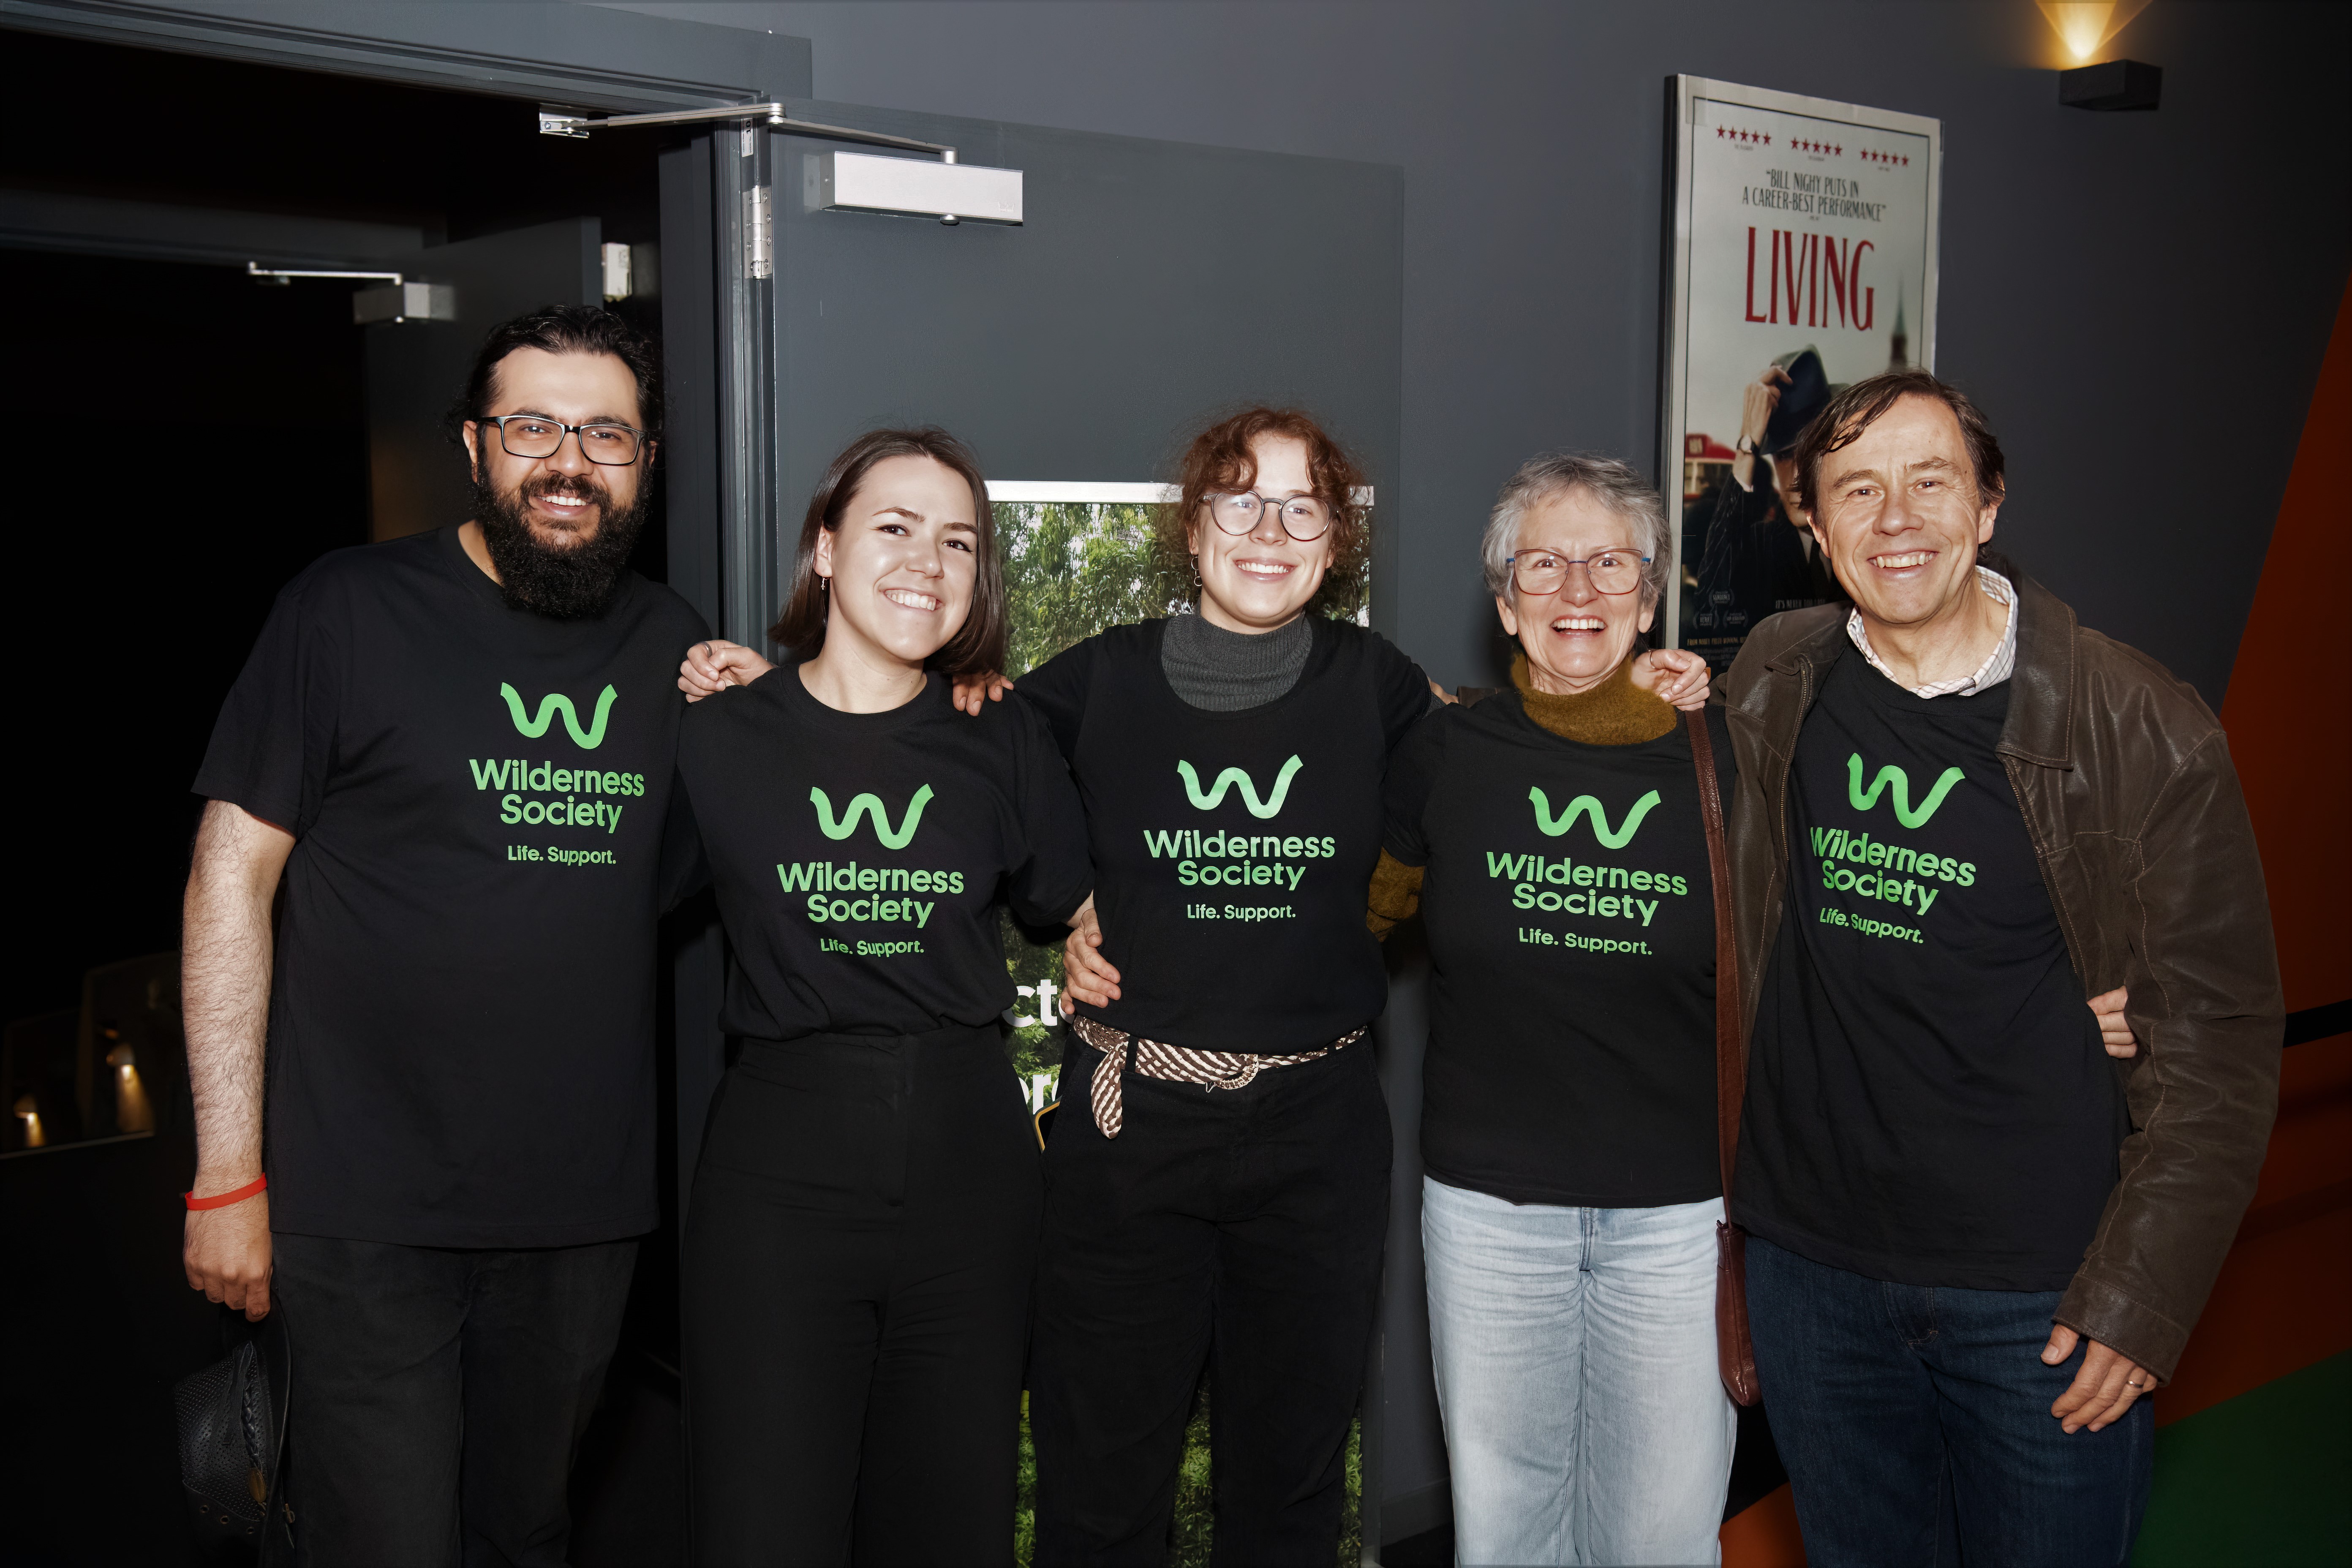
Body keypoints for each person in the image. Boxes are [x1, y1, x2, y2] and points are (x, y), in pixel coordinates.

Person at [682, 406, 1708, 1564]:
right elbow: (911, 711)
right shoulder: (1089, 687)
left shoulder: (1379, 688)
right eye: (1239, 499)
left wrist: (1648, 686)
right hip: (1130, 1132)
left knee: (1291, 1488)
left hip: (1318, 1135)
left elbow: (1518, 727)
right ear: (1195, 526)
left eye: (1299, 507)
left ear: (1333, 543)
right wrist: (762, 682)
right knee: (1101, 1484)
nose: (1267, 530)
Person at [1363, 454, 2139, 1568]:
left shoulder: (1736, 752)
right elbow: (1348, 919)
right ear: (1503, 599)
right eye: (1546, 564)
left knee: (1666, 1537)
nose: (1578, 591)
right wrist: (1123, 925)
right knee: (1505, 1527)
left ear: (1649, 593)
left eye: (1609, 564)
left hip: (1685, 1222)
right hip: (1489, 1217)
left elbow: (1893, 913)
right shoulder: (1442, 752)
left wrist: (2086, 992)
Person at [1721, 370, 2282, 1565]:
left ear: (1990, 506)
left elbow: (2222, 1052)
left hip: (2044, 1298)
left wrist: (2142, 1297)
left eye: (1932, 482)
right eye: (1857, 492)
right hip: (1814, 1278)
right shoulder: (1775, 677)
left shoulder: (2142, 727)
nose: (1897, 519)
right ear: (1811, 527)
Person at [181, 305, 708, 1565]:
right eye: (532, 425)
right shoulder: (346, 609)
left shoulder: (675, 651)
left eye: (606, 434)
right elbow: (228, 879)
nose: (568, 460)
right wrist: (227, 1177)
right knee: (387, 1541)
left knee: (524, 1529)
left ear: (644, 462)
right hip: (361, 1198)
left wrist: (965, 691)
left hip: (581, 1207)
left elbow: (801, 807)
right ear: (475, 446)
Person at [675, 429, 1094, 1566]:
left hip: (971, 1164)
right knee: (765, 1523)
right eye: (895, 528)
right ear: (825, 547)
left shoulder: (999, 733)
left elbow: (1079, 905)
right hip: (778, 1171)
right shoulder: (716, 738)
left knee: (950, 1522)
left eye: (959, 541)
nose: (929, 562)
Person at [1689, 348, 1843, 667]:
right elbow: (1710, 609)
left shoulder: (1861, 538)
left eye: (1809, 452)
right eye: (1785, 456)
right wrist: (1748, 445)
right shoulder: (1759, 545)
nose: (1797, 476)